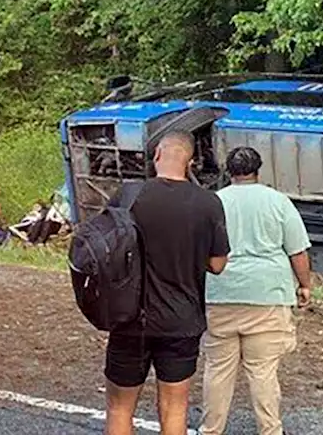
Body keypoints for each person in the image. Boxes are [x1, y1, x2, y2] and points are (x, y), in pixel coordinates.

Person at [104, 132, 230, 435]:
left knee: (120, 408)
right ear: (189, 162)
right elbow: (218, 264)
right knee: (175, 408)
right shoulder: (208, 203)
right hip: (182, 320)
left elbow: (103, 249)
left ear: (158, 154)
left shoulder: (129, 195)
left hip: (130, 318)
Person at [201, 147, 313, 435]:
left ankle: (211, 429)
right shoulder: (278, 201)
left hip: (220, 291)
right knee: (262, 371)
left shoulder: (213, 202)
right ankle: (270, 430)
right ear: (258, 170)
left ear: (229, 171)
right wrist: (304, 285)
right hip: (267, 294)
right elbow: (297, 251)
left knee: (217, 369)